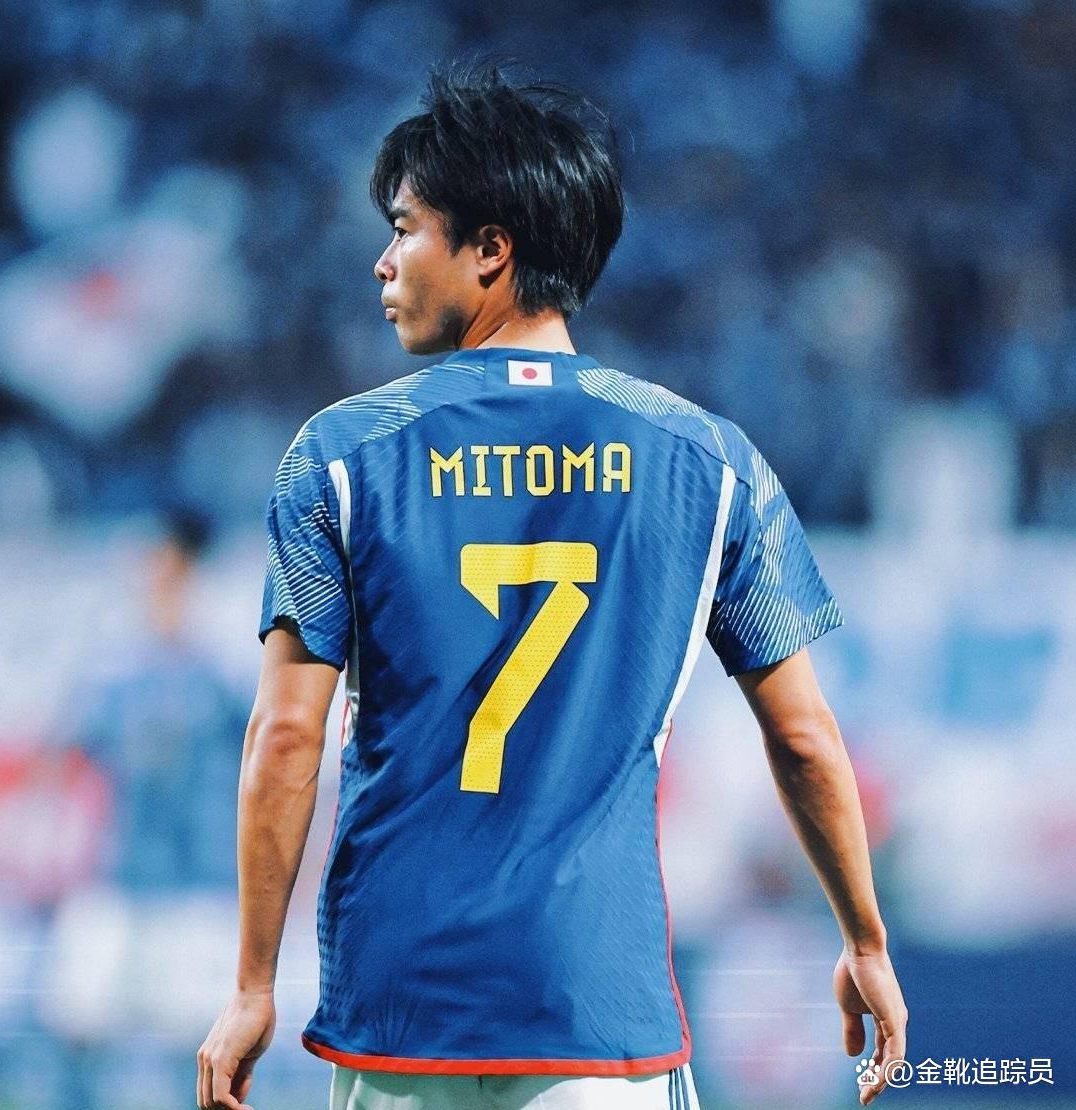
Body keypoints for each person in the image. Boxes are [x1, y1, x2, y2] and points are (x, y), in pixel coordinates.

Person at [197, 62, 907, 1110]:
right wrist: (865, 939)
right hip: (598, 1015)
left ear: (491, 249)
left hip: (400, 1009)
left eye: (405, 229)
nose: (383, 263)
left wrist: (253, 985)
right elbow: (803, 737)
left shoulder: (341, 456)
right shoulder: (711, 461)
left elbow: (287, 737)